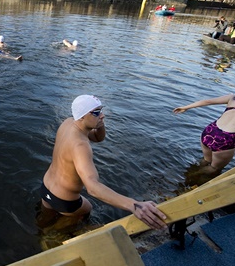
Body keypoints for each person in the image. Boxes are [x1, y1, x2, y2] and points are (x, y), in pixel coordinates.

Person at [40, 95, 167, 229]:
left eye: (101, 110)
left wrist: (98, 122)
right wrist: (132, 205)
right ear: (82, 116)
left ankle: (45, 230)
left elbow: (97, 137)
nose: (102, 115)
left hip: (45, 188)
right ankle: (70, 231)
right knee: (88, 208)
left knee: (44, 222)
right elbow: (92, 187)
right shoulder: (81, 146)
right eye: (96, 113)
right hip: (65, 201)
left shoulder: (68, 123)